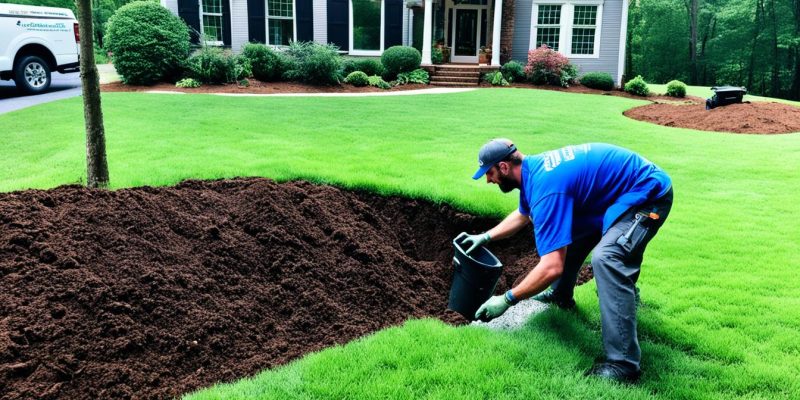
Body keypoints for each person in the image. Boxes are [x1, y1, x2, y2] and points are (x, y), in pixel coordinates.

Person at [464, 139, 673, 383]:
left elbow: (552, 267)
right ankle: (561, 295)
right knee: (568, 236)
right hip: (613, 197)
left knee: (608, 259)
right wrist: (486, 236)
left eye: (489, 173)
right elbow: (523, 215)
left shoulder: (547, 188)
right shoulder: (534, 172)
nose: (488, 180)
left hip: (648, 194)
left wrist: (507, 299)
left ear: (504, 167)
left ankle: (623, 364)